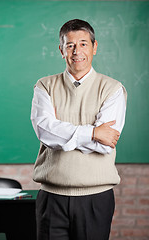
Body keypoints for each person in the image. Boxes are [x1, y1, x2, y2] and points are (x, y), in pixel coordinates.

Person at [31, 19, 127, 240]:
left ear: (94, 47)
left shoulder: (112, 89)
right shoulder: (44, 86)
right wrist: (93, 132)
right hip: (51, 197)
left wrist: (62, 133)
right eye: (70, 45)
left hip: (96, 198)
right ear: (61, 50)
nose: (77, 51)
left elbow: (105, 145)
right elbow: (45, 132)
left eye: (83, 44)